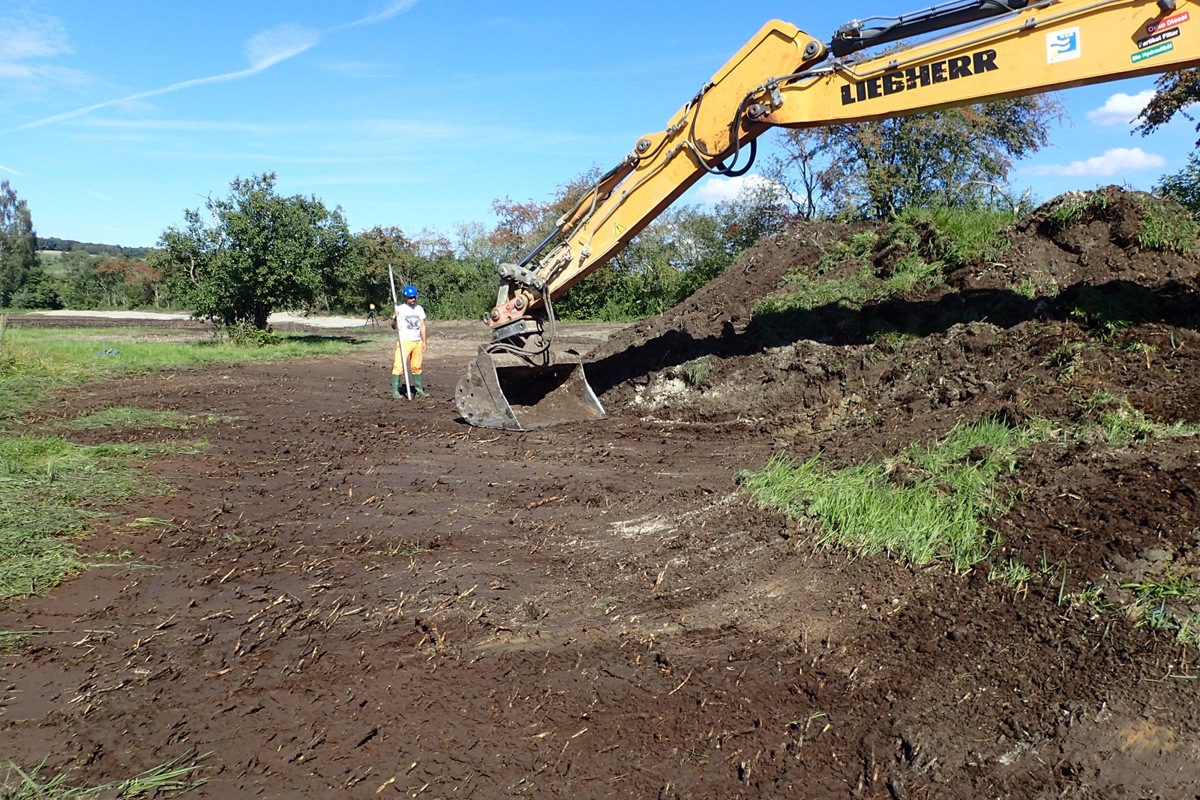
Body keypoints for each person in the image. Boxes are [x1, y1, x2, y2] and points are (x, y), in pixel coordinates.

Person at [392, 284, 429, 398]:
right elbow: (394, 327)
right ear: (405, 298)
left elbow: (422, 326)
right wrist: (394, 318)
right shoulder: (400, 309)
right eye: (410, 297)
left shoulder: (419, 309)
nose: (413, 299)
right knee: (399, 366)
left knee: (416, 366)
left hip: (417, 342)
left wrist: (424, 341)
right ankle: (395, 391)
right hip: (404, 341)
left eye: (414, 297)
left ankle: (419, 390)